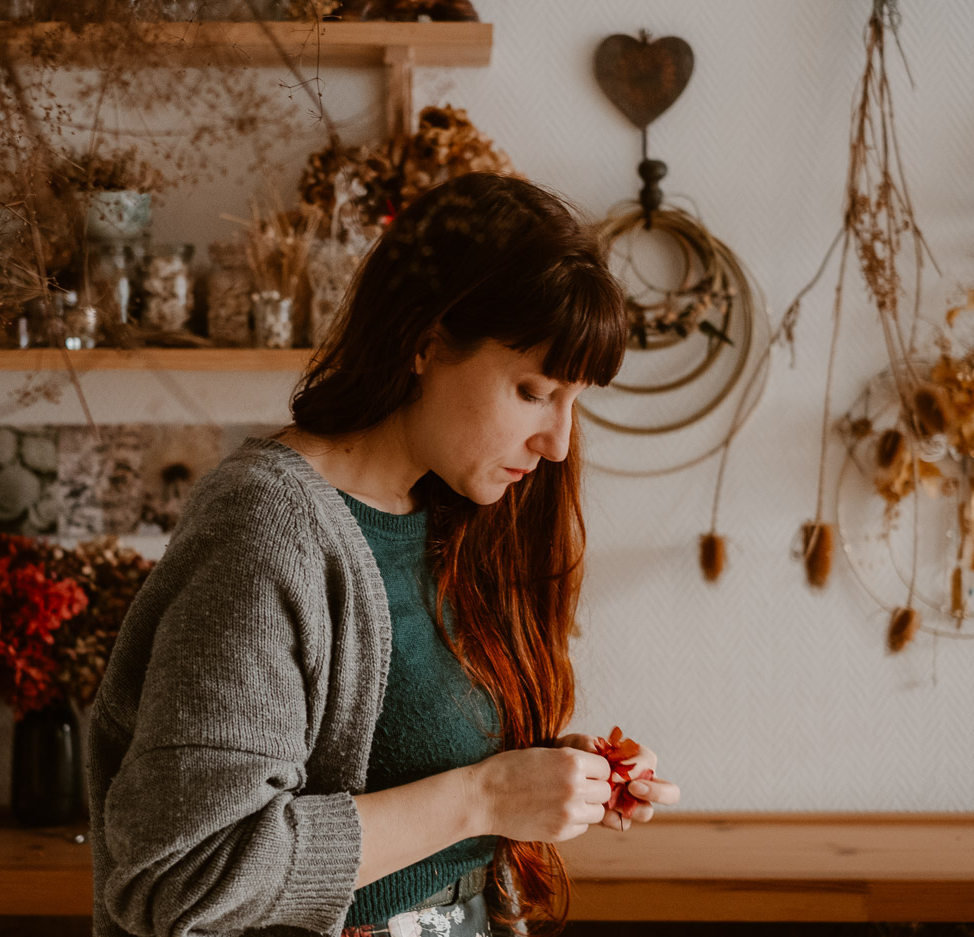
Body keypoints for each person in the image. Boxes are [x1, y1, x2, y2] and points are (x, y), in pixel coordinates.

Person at [88, 171, 681, 937]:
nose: (559, 441)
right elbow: (185, 875)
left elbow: (413, 765)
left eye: (575, 400)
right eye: (534, 390)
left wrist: (548, 777)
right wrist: (487, 795)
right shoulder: (266, 530)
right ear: (426, 343)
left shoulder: (452, 513)